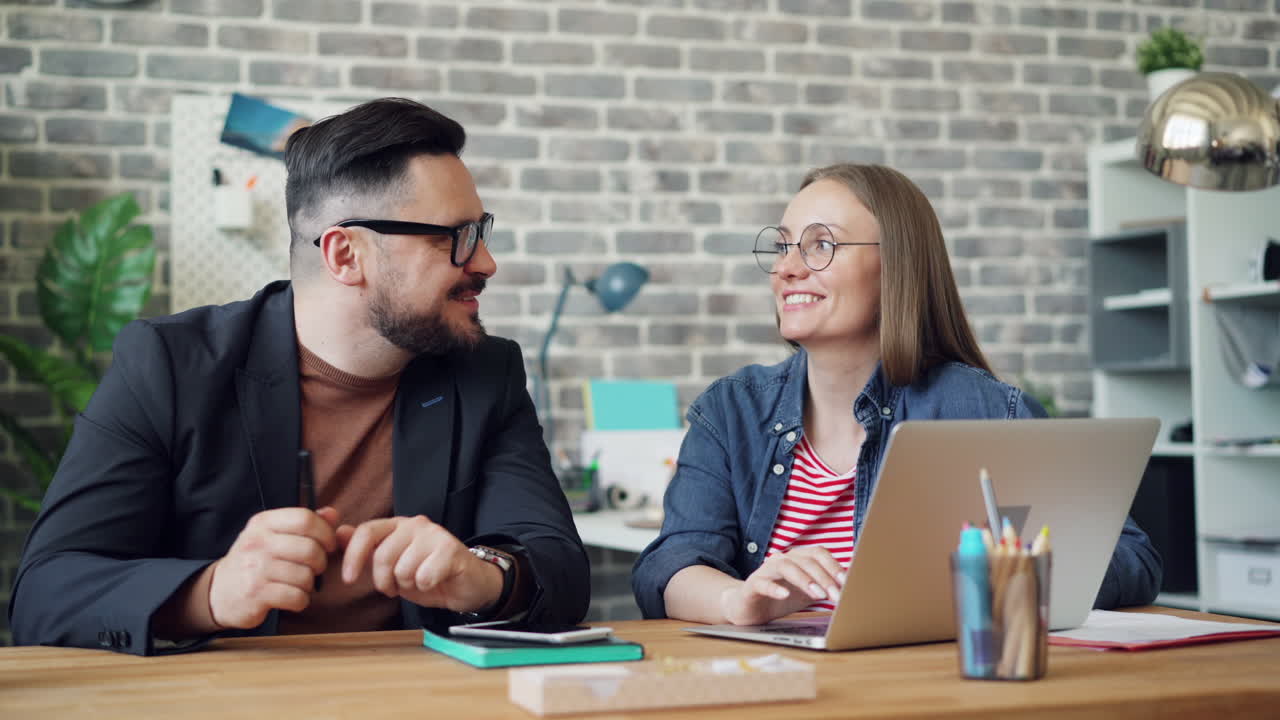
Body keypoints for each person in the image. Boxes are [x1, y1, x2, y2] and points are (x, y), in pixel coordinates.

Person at [10, 98, 590, 654]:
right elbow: (46, 594)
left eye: (481, 232)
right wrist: (210, 592)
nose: (485, 262)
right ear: (345, 255)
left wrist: (483, 576)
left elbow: (559, 566)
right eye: (454, 238)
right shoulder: (169, 366)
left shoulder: (485, 373)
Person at [632, 163, 1162, 625]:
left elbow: (1129, 559)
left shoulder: (983, 413)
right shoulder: (730, 413)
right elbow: (672, 563)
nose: (787, 267)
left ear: (897, 266)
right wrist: (738, 601)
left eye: (821, 244)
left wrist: (973, 574)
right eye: (783, 245)